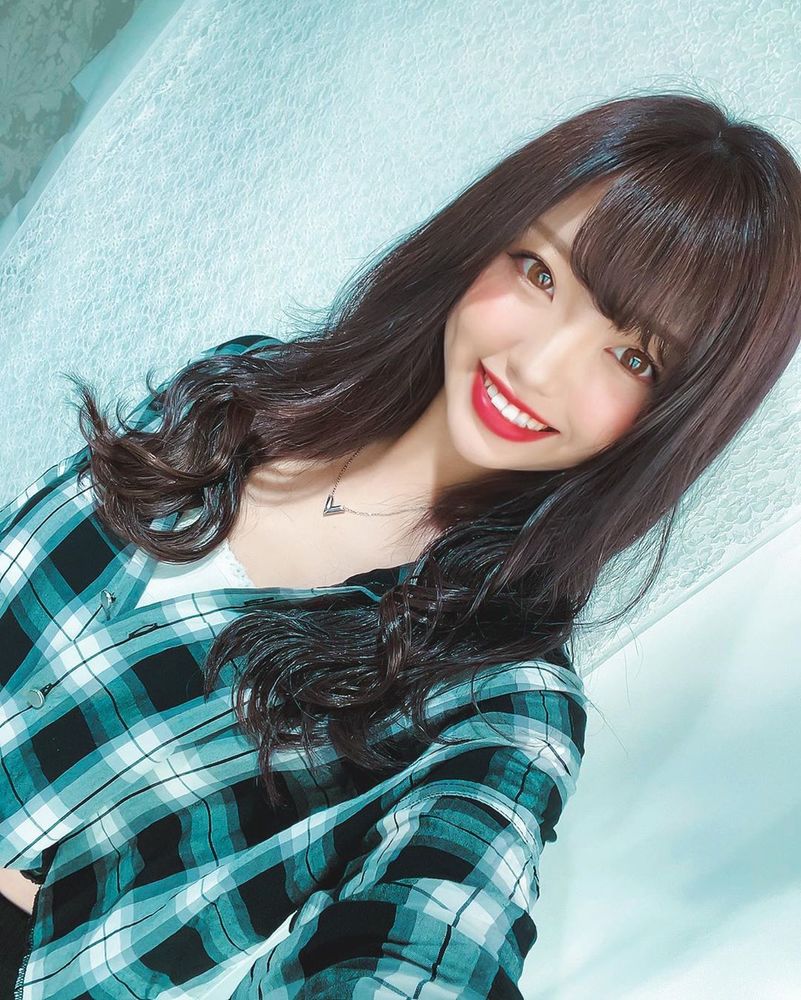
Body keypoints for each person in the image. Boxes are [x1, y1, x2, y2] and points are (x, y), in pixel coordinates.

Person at [1, 91, 799, 999]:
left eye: (633, 357)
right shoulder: (241, 390)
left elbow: (433, 940)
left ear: (670, 418)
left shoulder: (500, 700)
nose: (537, 366)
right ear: (485, 239)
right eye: (541, 275)